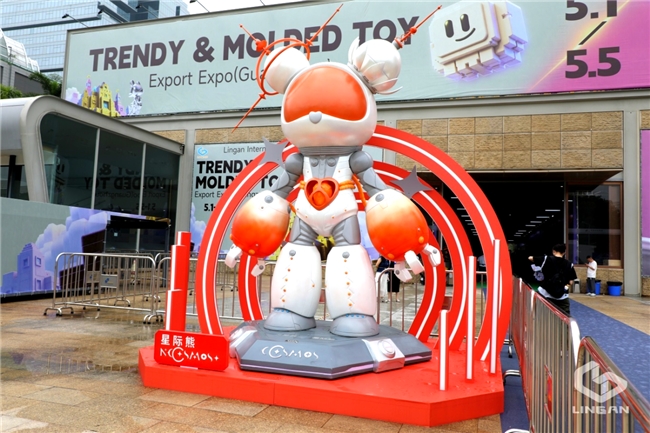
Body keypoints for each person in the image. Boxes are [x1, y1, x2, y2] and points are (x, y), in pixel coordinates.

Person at [528, 243, 577, 316]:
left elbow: (530, 258)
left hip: (544, 293)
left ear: (553, 251)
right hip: (562, 296)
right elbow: (571, 282)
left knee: (542, 315)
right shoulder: (569, 264)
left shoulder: (546, 259)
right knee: (565, 316)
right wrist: (564, 287)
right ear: (564, 252)